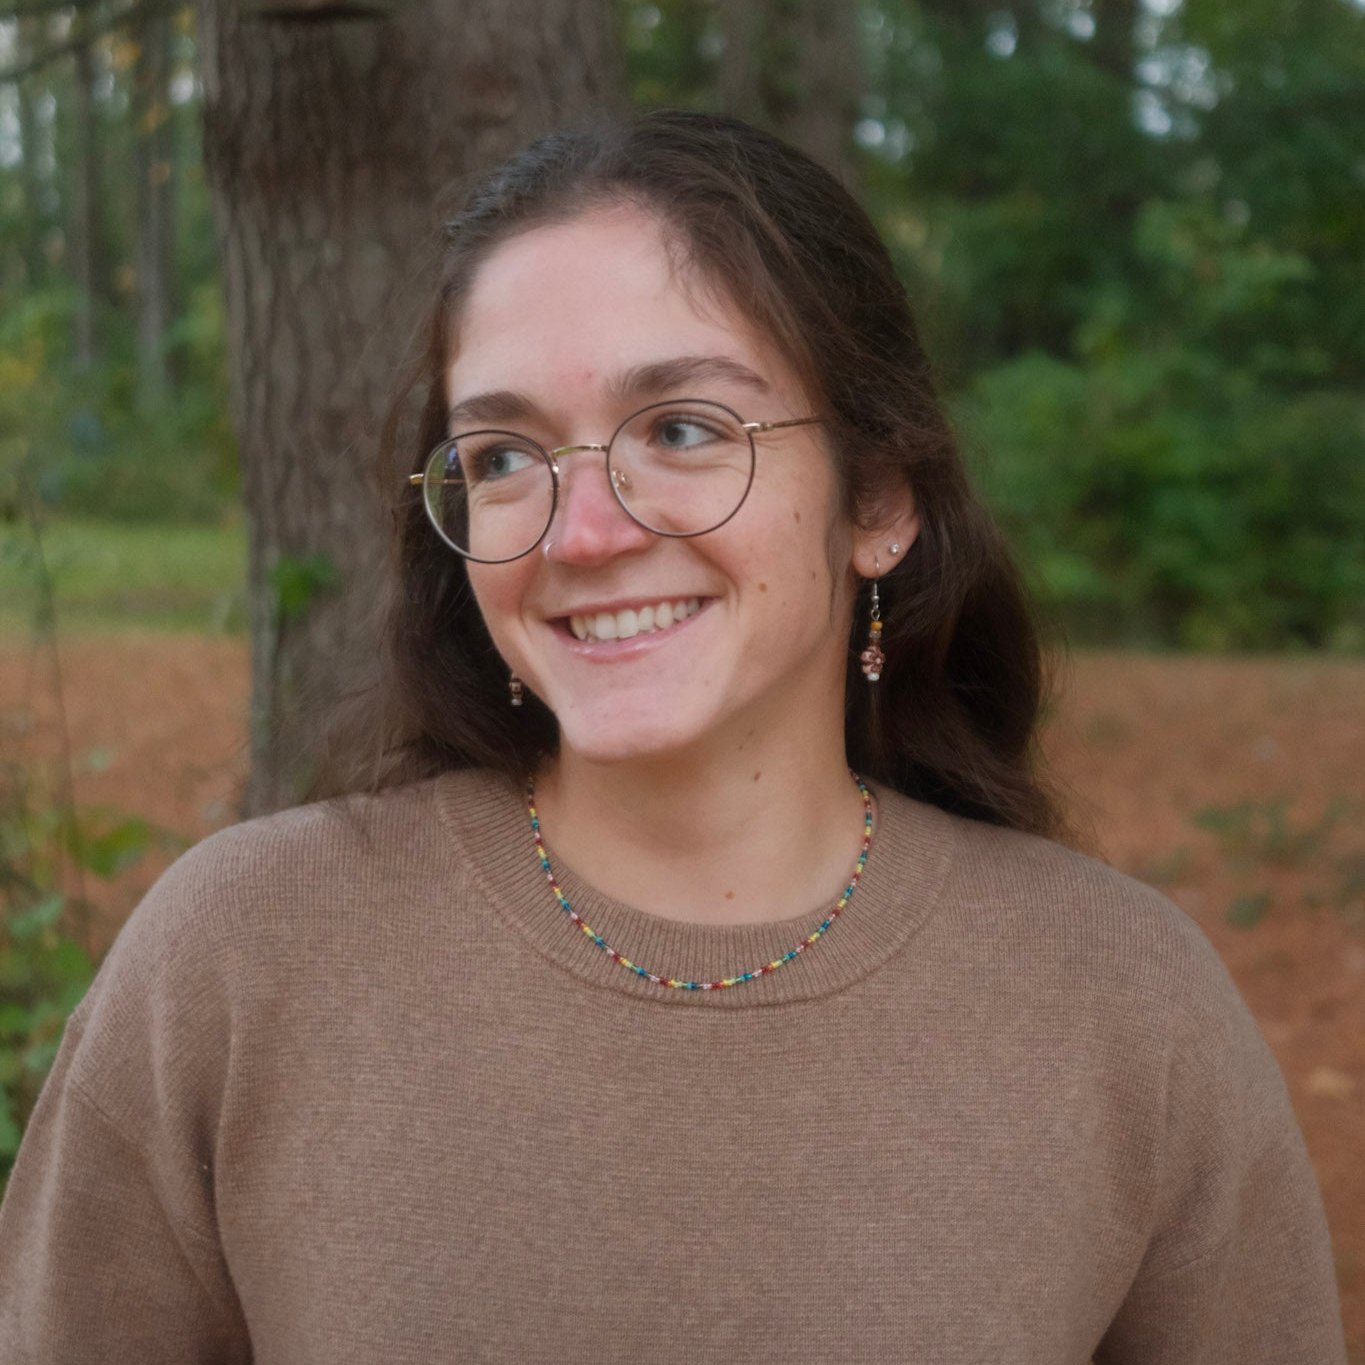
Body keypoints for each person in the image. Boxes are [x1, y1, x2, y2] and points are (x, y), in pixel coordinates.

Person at [0, 110, 1347, 1365]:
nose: (583, 534)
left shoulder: (1123, 1004)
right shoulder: (241, 960)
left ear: (878, 495)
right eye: (506, 455)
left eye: (685, 429)